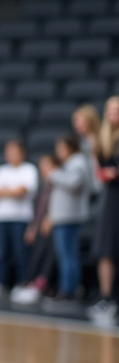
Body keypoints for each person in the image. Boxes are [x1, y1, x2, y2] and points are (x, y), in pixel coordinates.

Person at [0, 139, 37, 301]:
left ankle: (22, 284)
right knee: (1, 253)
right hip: (1, 218)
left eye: (14, 151)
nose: (10, 155)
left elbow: (22, 191)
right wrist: (11, 191)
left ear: (22, 153)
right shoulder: (0, 170)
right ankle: (0, 283)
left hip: (20, 218)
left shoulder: (29, 169)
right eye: (8, 151)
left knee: (20, 253)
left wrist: (3, 191)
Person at [41, 135, 92, 301]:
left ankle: (68, 290)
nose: (58, 151)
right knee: (65, 255)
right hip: (62, 216)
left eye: (61, 147)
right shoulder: (69, 163)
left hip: (69, 216)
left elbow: (74, 183)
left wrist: (53, 173)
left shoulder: (78, 161)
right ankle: (66, 287)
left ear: (70, 147)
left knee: (68, 255)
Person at [11, 154, 60, 305]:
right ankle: (30, 281)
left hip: (54, 227)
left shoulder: (57, 186)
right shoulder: (43, 188)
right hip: (40, 228)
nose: (44, 169)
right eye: (42, 165)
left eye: (48, 165)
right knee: (35, 251)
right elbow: (38, 212)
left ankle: (42, 283)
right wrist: (33, 227)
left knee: (49, 251)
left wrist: (51, 218)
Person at [87, 96, 119, 325]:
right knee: (105, 248)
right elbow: (99, 174)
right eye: (110, 110)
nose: (113, 114)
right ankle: (107, 298)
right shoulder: (104, 140)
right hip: (110, 198)